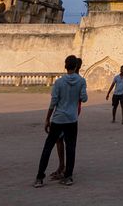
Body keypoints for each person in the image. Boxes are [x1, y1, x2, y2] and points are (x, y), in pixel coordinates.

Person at [34, 55, 87, 188]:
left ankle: (40, 178)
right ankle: (68, 176)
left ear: (65, 65)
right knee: (71, 147)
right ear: (76, 66)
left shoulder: (59, 82)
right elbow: (84, 98)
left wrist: (47, 119)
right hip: (72, 119)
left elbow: (53, 102)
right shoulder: (81, 81)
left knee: (48, 147)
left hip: (58, 119)